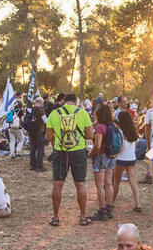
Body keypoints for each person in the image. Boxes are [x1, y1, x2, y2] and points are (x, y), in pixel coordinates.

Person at [46, 93, 94, 227]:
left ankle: (55, 217)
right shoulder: (83, 113)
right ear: (76, 102)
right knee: (80, 185)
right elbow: (90, 135)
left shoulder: (54, 114)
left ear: (64, 102)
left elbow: (49, 137)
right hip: (78, 152)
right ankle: (83, 216)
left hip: (60, 152)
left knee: (57, 185)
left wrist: (60, 141)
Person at [90, 103, 117, 221]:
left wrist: (90, 154)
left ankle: (102, 211)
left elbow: (97, 145)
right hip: (112, 156)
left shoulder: (99, 127)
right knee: (109, 184)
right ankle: (109, 207)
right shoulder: (114, 125)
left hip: (101, 157)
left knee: (100, 185)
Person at [111, 109, 141, 213]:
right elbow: (136, 144)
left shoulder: (119, 131)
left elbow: (117, 145)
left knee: (116, 182)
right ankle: (137, 203)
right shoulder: (133, 130)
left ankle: (112, 202)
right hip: (131, 158)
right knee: (132, 181)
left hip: (121, 158)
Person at [25, 96, 47, 171]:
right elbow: (45, 121)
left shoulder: (30, 110)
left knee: (33, 148)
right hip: (39, 131)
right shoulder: (40, 110)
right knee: (40, 148)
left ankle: (32, 165)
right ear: (40, 103)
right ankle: (39, 166)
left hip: (31, 131)